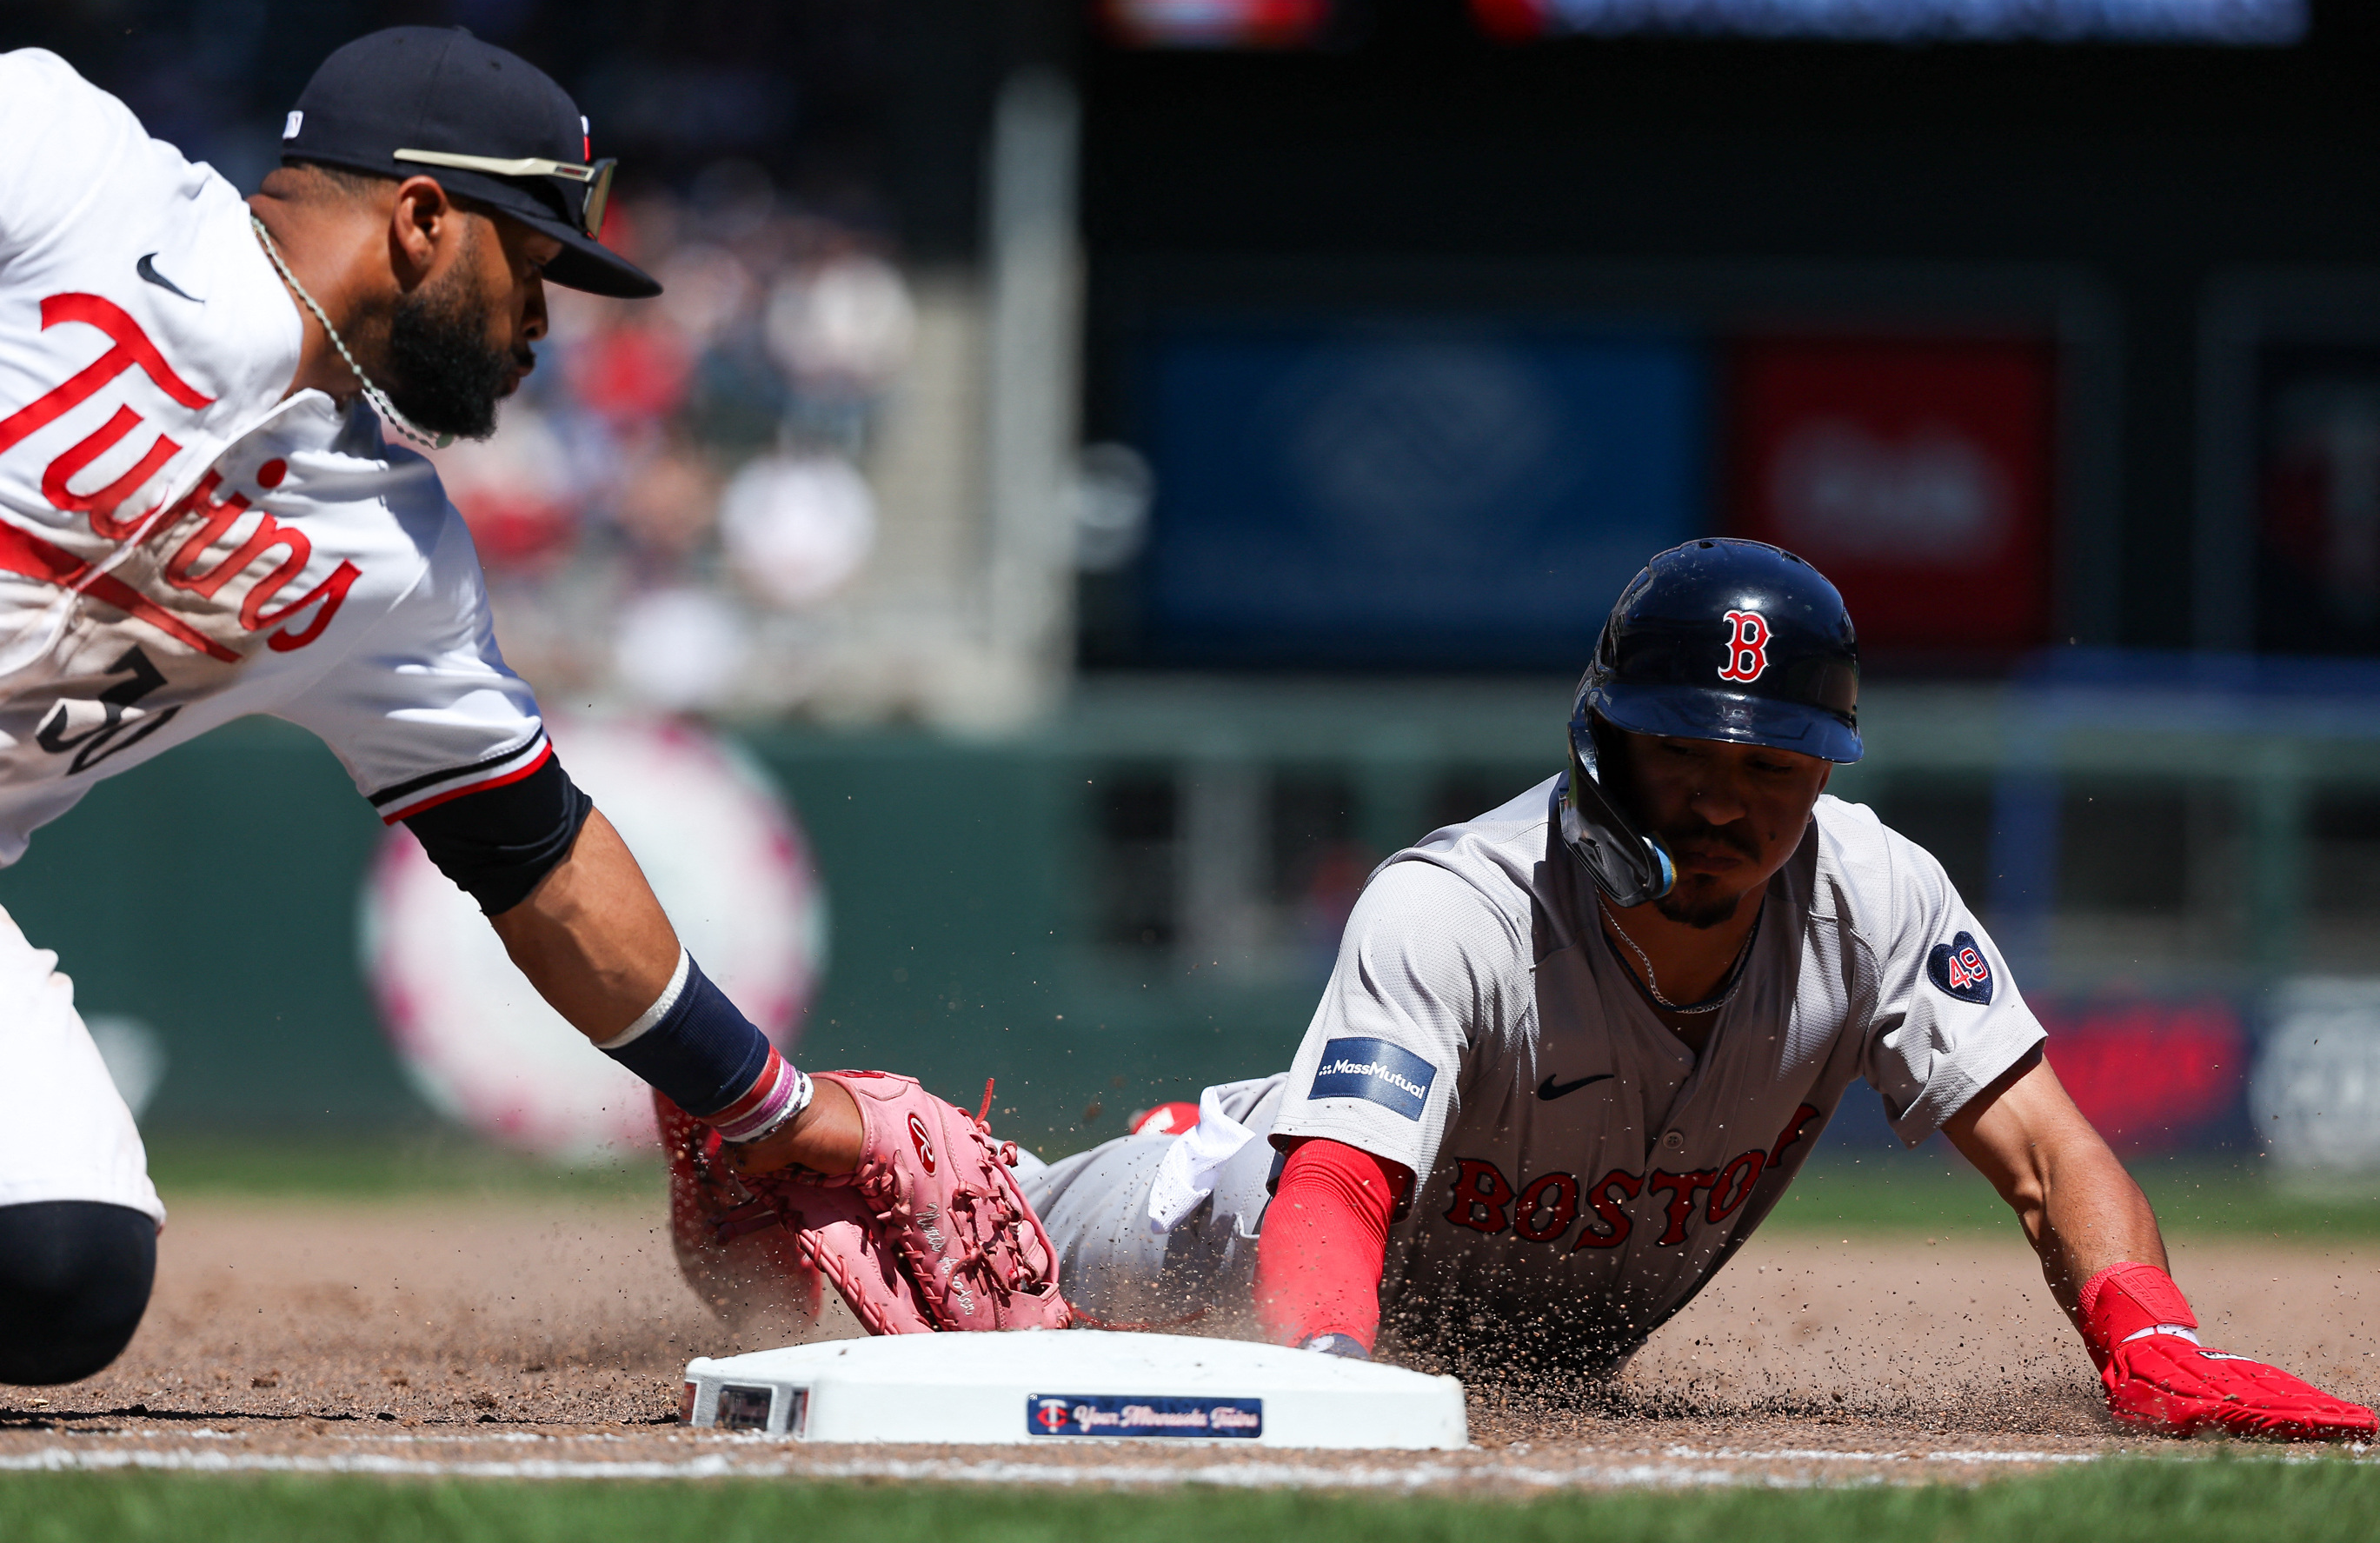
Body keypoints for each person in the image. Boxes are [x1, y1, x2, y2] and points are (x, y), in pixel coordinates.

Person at [668, 539, 2376, 1442]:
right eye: (1681, 748)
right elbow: (1331, 1194)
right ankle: (819, 1126)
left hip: (1479, 1314)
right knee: (1021, 1259)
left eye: (1770, 762)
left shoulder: (1873, 893)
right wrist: (1330, 1386)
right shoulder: (1463, 901)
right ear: (1601, 737)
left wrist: (2146, 1339)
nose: (1723, 793)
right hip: (1224, 1220)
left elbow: (2051, 1151)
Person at [0, 28, 861, 1385]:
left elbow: (540, 857)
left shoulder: (394, 559)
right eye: (531, 268)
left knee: (65, 1272)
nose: (541, 327)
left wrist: (764, 1103)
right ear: (421, 221)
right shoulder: (67, 166)